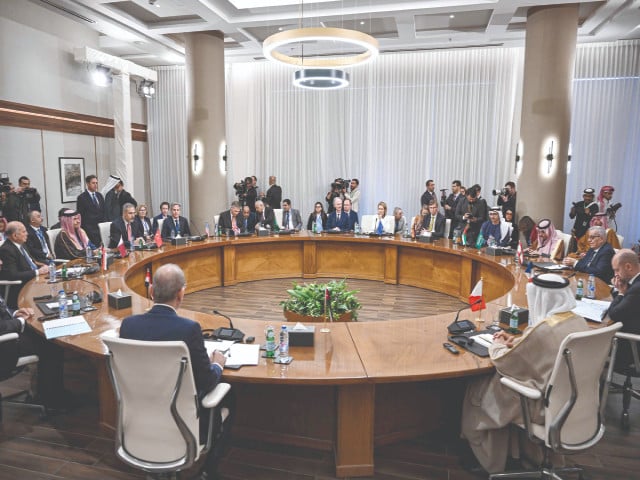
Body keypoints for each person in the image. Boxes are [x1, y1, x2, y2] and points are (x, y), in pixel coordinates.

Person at [461, 273, 588, 474]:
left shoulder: (544, 330)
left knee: (480, 388)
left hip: (540, 405)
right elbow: (539, 347)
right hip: (574, 401)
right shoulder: (578, 321)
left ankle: (488, 460)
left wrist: (497, 345)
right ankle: (523, 453)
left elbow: (505, 362)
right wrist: (516, 340)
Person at [119, 263, 230, 476]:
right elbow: (207, 382)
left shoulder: (128, 325)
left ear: (151, 292)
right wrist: (217, 364)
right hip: (184, 424)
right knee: (229, 396)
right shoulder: (188, 329)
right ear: (181, 294)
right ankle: (208, 472)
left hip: (137, 424)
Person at [0, 290, 66, 411]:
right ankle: (52, 401)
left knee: (45, 333)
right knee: (51, 343)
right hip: (4, 348)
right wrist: (20, 321)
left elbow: (2, 309)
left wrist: (15, 313)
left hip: (9, 333)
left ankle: (46, 393)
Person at [0, 221, 49, 307]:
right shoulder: (7, 250)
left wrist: (42, 266)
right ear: (15, 236)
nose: (27, 234)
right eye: (24, 232)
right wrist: (38, 272)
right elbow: (13, 275)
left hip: (35, 280)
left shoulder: (21, 244)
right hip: (21, 288)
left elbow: (31, 262)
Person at [608, 249, 640, 370]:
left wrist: (620, 292)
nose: (615, 274)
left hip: (632, 345)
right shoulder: (634, 283)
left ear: (628, 266)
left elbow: (614, 314)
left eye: (617, 270)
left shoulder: (636, 288)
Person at [76, 175, 106, 247]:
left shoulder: (99, 195)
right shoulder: (82, 198)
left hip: (100, 229)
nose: (95, 185)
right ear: (88, 184)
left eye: (96, 183)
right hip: (89, 230)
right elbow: (81, 215)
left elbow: (103, 211)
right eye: (93, 183)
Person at [568, 188, 598, 252]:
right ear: (583, 196)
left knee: (584, 249)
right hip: (576, 230)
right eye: (586, 196)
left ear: (592, 197)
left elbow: (595, 219)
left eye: (589, 196)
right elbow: (572, 216)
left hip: (587, 231)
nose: (587, 198)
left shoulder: (595, 206)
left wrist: (589, 213)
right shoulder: (578, 204)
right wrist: (572, 212)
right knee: (574, 248)